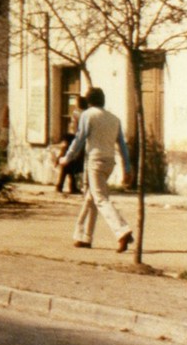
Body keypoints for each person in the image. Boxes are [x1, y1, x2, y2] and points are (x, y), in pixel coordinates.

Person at [60, 87, 133, 253]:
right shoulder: (114, 118)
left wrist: (67, 158)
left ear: (88, 101)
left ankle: (122, 231)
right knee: (90, 198)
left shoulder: (88, 115)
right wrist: (127, 167)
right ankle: (83, 236)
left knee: (100, 199)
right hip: (109, 162)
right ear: (103, 100)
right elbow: (122, 144)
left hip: (95, 161)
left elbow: (80, 138)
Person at [53, 94, 87, 195]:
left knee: (69, 164)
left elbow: (73, 128)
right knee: (71, 164)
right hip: (78, 140)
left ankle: (65, 185)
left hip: (73, 139)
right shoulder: (85, 114)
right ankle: (68, 186)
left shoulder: (77, 113)